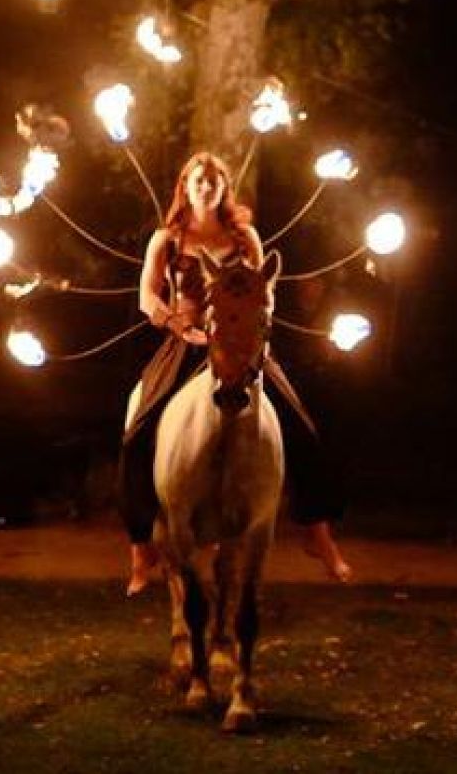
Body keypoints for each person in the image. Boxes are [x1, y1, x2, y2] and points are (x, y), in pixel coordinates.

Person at [118, 152, 351, 595]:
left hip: (240, 345)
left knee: (300, 426)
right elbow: (148, 297)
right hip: (185, 342)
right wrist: (176, 323)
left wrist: (250, 335)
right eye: (199, 180)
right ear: (185, 187)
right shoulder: (166, 240)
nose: (207, 187)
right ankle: (141, 548)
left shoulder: (244, 237)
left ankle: (317, 533)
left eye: (214, 180)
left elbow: (265, 291)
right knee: (137, 431)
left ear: (225, 188)